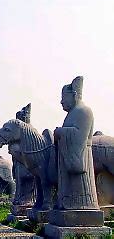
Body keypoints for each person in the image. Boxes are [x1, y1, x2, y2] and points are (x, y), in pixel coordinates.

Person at [53, 76, 98, 210]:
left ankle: (83, 205)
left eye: (63, 97)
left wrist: (61, 132)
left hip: (80, 155)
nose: (61, 102)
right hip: (68, 156)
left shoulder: (84, 111)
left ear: (74, 95)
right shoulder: (72, 113)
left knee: (81, 189)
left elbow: (79, 136)